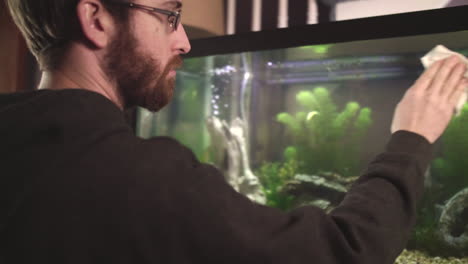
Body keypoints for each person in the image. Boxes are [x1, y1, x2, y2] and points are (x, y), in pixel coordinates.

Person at [0, 0, 466, 263]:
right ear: (96, 18)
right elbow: (344, 252)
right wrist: (411, 137)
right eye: (169, 15)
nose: (183, 40)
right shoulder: (140, 177)